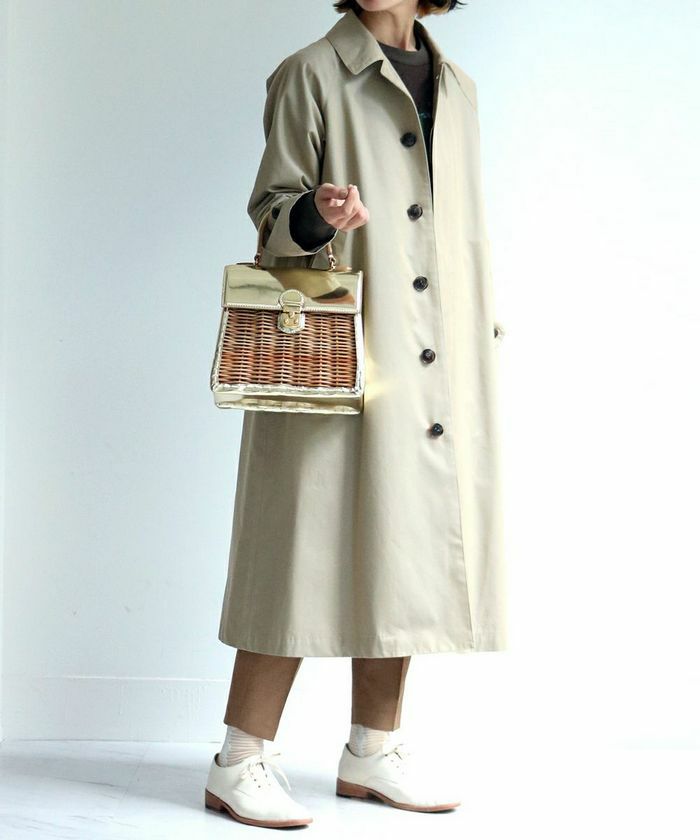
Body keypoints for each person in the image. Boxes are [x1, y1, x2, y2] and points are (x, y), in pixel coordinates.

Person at [205, 0, 507, 828]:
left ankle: (373, 748)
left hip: (434, 352)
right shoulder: (309, 73)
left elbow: (462, 229)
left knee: (406, 542)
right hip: (339, 346)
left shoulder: (458, 87)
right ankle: (240, 757)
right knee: (298, 544)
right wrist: (317, 213)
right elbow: (271, 210)